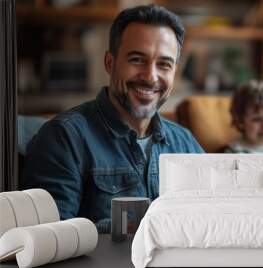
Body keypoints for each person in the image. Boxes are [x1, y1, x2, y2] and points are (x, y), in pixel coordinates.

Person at [22, 4, 204, 233]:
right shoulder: (63, 138)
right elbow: (50, 240)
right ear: (110, 63)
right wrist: (145, 227)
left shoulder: (185, 143)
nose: (151, 76)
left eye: (164, 64)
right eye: (137, 59)